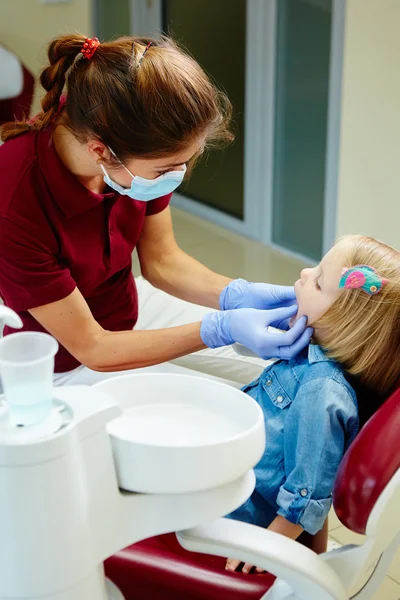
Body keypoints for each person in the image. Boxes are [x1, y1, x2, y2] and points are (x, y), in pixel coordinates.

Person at [0, 34, 312, 389]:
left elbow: (162, 261)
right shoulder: (13, 203)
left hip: (128, 307)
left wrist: (237, 294)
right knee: (227, 407)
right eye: (165, 170)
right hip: (63, 363)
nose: (176, 178)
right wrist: (219, 328)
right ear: (100, 152)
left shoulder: (126, 130)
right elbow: (94, 348)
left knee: (279, 377)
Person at [225, 234, 400, 573]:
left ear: (345, 325)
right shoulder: (312, 364)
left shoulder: (322, 390)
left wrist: (267, 546)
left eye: (319, 282)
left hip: (230, 513)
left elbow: (307, 490)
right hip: (231, 474)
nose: (305, 274)